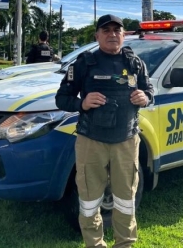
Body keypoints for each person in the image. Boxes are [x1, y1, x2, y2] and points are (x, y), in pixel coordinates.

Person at [55, 14, 154, 248]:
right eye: (106, 30)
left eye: (117, 30)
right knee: (89, 200)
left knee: (126, 200)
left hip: (127, 142)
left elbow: (149, 90)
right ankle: (94, 244)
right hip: (91, 142)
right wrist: (82, 102)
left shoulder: (134, 63)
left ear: (123, 34)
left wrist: (145, 97)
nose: (112, 34)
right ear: (97, 35)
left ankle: (125, 244)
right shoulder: (83, 63)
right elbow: (62, 98)